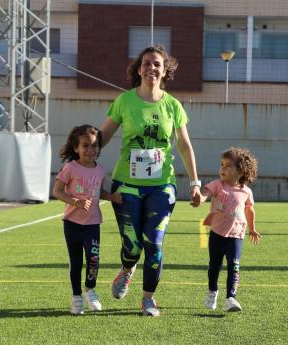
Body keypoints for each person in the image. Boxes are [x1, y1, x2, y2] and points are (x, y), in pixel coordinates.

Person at [98, 45, 201, 317]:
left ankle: (148, 299)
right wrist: (82, 159)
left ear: (165, 70)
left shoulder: (173, 105)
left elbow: (184, 145)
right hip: (126, 184)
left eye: (157, 63)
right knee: (132, 245)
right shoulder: (124, 101)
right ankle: (127, 268)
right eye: (146, 63)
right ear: (138, 69)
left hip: (161, 185)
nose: (151, 68)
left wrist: (195, 183)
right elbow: (104, 136)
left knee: (154, 243)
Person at [53, 124, 122, 315]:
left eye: (94, 146)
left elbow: (99, 192)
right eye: (85, 146)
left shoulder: (100, 170)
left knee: (93, 260)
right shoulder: (70, 168)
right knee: (76, 262)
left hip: (92, 224)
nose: (90, 150)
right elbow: (57, 191)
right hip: (72, 224)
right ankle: (76, 297)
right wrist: (73, 201)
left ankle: (90, 290)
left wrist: (112, 197)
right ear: (76, 148)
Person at [194, 147, 261, 312]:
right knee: (214, 265)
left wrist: (252, 229)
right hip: (217, 234)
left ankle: (231, 298)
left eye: (227, 165)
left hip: (236, 235)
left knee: (234, 266)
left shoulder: (246, 192)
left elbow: (249, 210)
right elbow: (205, 193)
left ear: (240, 171)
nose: (222, 168)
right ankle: (212, 292)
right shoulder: (217, 185)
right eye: (221, 164)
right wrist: (199, 198)